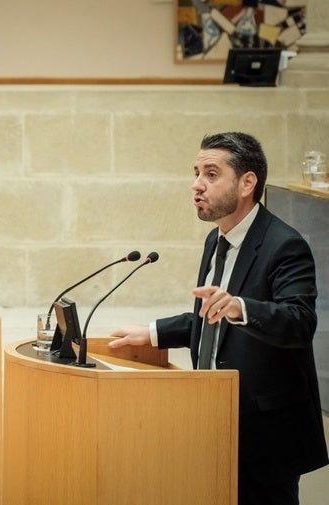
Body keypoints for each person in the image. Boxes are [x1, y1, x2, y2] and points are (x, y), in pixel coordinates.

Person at [108, 132, 328, 505]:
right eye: (196, 173)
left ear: (247, 182)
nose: (197, 185)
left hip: (265, 433)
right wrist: (152, 332)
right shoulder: (217, 240)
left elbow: (300, 322)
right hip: (215, 418)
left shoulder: (284, 244)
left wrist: (243, 307)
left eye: (211, 174)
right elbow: (213, 315)